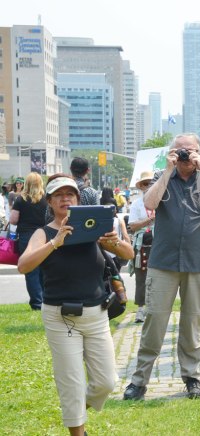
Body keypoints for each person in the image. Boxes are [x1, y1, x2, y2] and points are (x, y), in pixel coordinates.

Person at [17, 174, 133, 436]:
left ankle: (75, 410)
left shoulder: (94, 227)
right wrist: (54, 243)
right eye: (58, 195)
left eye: (70, 194)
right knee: (71, 383)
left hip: (96, 315)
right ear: (49, 202)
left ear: (78, 200)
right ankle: (77, 429)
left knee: (106, 382)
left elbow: (128, 254)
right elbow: (24, 265)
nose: (65, 199)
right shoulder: (43, 233)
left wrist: (113, 242)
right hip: (60, 317)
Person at [123, 133, 200, 401]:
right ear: (172, 153)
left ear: (199, 152)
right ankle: (139, 381)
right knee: (154, 322)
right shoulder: (165, 179)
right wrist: (168, 169)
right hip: (164, 263)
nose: (186, 156)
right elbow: (149, 204)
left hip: (198, 263)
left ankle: (192, 377)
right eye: (180, 151)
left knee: (192, 323)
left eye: (191, 150)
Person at [10, 172, 48, 310]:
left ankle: (37, 303)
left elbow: (13, 220)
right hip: (43, 236)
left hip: (26, 237)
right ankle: (46, 300)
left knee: (31, 269)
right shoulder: (46, 199)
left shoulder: (21, 199)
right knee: (44, 269)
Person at [128, 171, 155, 323]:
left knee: (160, 277)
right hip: (142, 245)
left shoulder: (161, 200)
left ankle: (155, 309)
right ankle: (140, 309)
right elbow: (132, 226)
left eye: (151, 183)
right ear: (141, 186)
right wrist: (149, 220)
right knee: (141, 277)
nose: (148, 186)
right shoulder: (137, 204)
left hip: (160, 244)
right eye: (145, 184)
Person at [100, 189, 130, 273]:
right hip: (115, 253)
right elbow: (125, 236)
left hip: (101, 255)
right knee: (115, 278)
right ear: (115, 210)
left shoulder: (100, 221)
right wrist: (128, 248)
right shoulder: (119, 220)